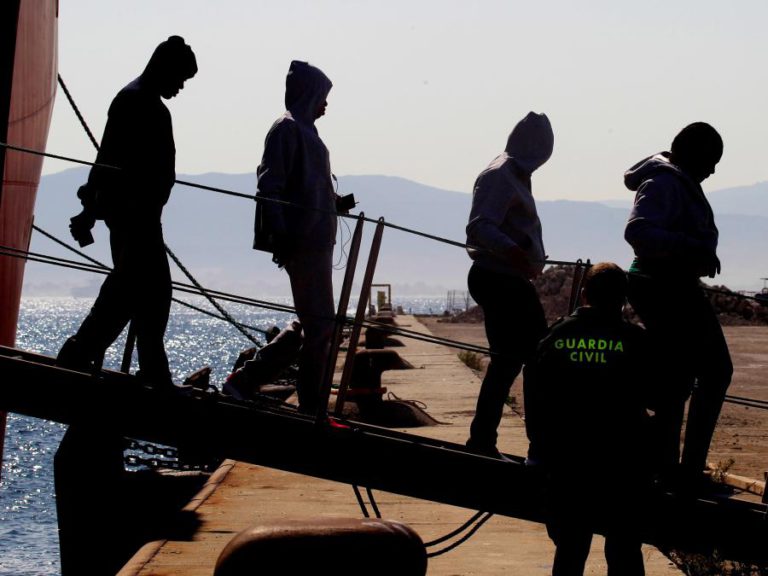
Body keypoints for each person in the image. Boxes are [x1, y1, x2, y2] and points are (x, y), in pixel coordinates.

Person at [57, 36, 198, 389]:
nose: (181, 87)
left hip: (140, 217)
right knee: (139, 292)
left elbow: (106, 160)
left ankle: (98, 356)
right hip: (135, 217)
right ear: (164, 68)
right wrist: (90, 209)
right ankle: (90, 356)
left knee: (135, 293)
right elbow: (107, 159)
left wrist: (91, 209)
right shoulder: (136, 102)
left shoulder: (140, 101)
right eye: (180, 78)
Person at [525, 262, 652, 576]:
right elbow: (660, 397)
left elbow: (534, 394)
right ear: (624, 298)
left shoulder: (554, 337)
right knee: (624, 551)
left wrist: (539, 450)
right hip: (622, 465)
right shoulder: (635, 340)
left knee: (569, 550)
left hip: (565, 463)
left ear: (584, 294)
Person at [623, 122, 732, 488]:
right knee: (715, 370)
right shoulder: (664, 183)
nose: (713, 170)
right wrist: (691, 247)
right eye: (711, 160)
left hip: (671, 284)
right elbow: (637, 231)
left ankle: (669, 464)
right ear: (694, 154)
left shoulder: (674, 181)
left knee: (678, 377)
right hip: (663, 286)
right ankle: (684, 468)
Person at [464, 111, 553, 457]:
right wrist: (515, 253)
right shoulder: (501, 175)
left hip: (508, 277)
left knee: (514, 361)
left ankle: (488, 439)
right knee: (529, 358)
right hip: (500, 276)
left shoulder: (513, 173)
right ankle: (532, 443)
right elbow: (480, 226)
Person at [253, 60, 338, 414]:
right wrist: (282, 234)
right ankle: (311, 407)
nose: (326, 104)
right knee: (319, 328)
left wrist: (333, 203)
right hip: (302, 242)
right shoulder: (287, 130)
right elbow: (269, 185)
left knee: (317, 324)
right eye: (322, 96)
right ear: (308, 93)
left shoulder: (307, 131)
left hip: (316, 240)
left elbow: (307, 186)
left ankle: (249, 379)